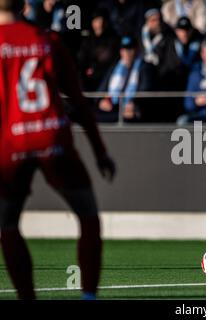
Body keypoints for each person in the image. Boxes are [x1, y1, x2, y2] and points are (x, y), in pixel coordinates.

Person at [0, 0, 116, 300]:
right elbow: (78, 101)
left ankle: (27, 297)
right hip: (52, 137)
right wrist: (100, 151)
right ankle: (88, 295)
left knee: (7, 225)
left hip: (11, 143)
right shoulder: (48, 40)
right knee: (88, 216)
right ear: (25, 5)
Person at [97, 35, 154, 123]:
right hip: (112, 108)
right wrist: (101, 101)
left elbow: (146, 90)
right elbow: (101, 90)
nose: (127, 53)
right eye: (124, 50)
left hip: (132, 111)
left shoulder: (145, 67)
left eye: (130, 49)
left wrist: (135, 104)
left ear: (137, 50)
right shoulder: (114, 67)